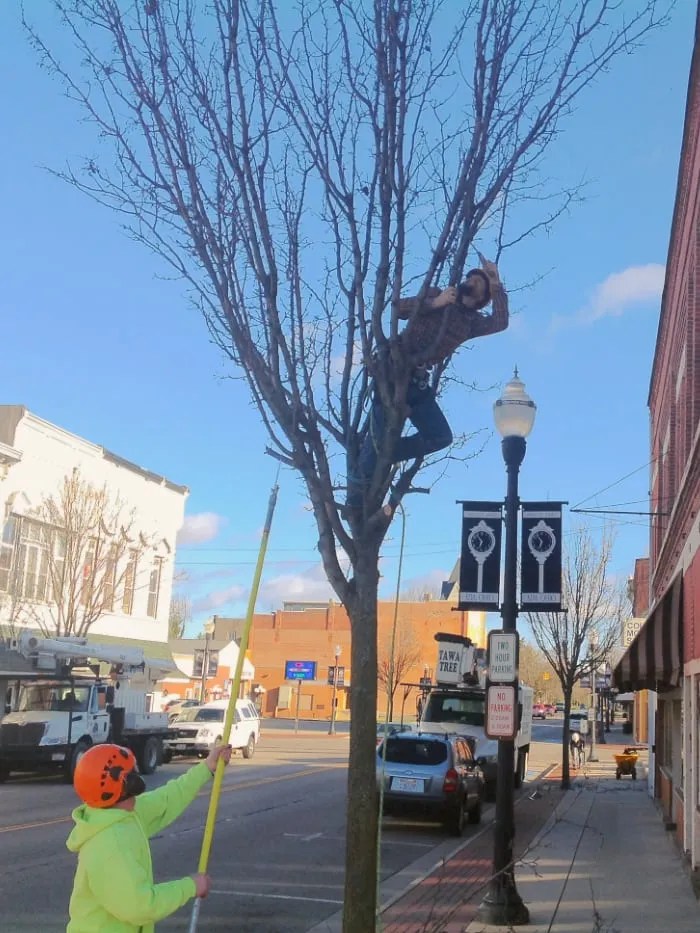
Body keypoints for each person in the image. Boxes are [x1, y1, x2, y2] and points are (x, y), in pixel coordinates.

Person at [346, 255, 508, 512]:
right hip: (393, 368)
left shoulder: (471, 322)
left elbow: (500, 322)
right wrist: (436, 302)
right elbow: (399, 308)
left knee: (440, 436)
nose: (471, 281)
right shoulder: (438, 295)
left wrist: (496, 282)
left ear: (481, 298)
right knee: (379, 426)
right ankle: (355, 501)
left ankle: (390, 451)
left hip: (418, 381)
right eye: (470, 277)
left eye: (478, 281)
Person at [66, 742, 232, 932]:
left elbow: (167, 799)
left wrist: (206, 768)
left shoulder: (121, 814)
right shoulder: (109, 844)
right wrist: (191, 886)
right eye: (133, 773)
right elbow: (140, 906)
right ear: (129, 784)